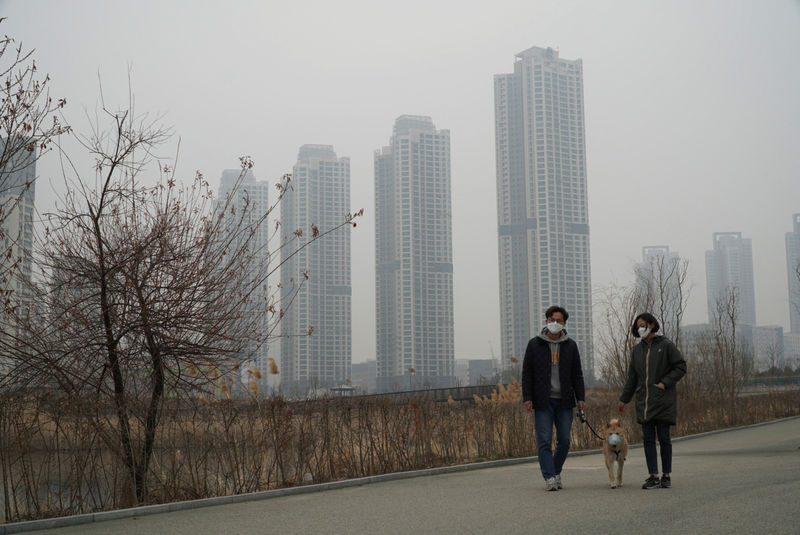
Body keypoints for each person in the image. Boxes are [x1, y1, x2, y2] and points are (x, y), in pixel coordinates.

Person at [618, 312, 687, 490]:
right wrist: (624, 399)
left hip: (663, 401)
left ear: (651, 324)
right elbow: (632, 377)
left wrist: (664, 383)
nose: (640, 328)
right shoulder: (637, 350)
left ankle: (666, 475)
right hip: (644, 403)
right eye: (637, 326)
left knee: (664, 438)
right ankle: (653, 475)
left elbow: (681, 367)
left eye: (643, 325)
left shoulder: (666, 345)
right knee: (648, 439)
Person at [522, 305, 586, 491]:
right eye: (552, 320)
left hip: (565, 400)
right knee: (544, 439)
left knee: (565, 440)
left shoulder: (571, 345)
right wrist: (527, 397)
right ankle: (549, 477)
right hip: (543, 400)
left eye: (559, 320)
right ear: (546, 321)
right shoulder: (535, 344)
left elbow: (577, 374)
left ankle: (556, 470)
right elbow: (527, 373)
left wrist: (580, 397)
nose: (555, 323)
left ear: (565, 323)